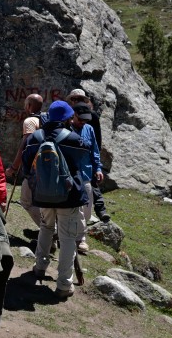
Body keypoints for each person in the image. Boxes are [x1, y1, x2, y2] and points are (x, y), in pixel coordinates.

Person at [21, 100, 91, 299]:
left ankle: (39, 267)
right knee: (67, 237)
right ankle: (63, 284)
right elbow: (84, 154)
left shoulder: (35, 138)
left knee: (45, 228)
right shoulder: (72, 138)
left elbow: (27, 166)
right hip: (68, 197)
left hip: (42, 195)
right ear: (68, 118)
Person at [67, 88, 110, 223]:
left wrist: (96, 165)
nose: (76, 101)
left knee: (91, 187)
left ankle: (100, 211)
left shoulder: (92, 119)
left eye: (79, 99)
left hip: (87, 160)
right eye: (73, 99)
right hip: (72, 168)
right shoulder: (67, 120)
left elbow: (96, 140)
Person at [5, 94, 44, 228]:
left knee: (26, 201)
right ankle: (49, 238)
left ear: (29, 106)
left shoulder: (30, 121)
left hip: (34, 168)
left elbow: (25, 146)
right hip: (49, 165)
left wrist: (14, 168)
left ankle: (51, 230)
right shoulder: (47, 119)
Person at [70, 102, 104, 254]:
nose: (83, 122)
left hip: (86, 174)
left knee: (87, 209)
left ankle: (77, 234)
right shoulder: (66, 129)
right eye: (80, 119)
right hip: (70, 175)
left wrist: (98, 168)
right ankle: (80, 239)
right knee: (75, 209)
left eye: (85, 119)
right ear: (73, 115)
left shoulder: (89, 129)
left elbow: (94, 150)